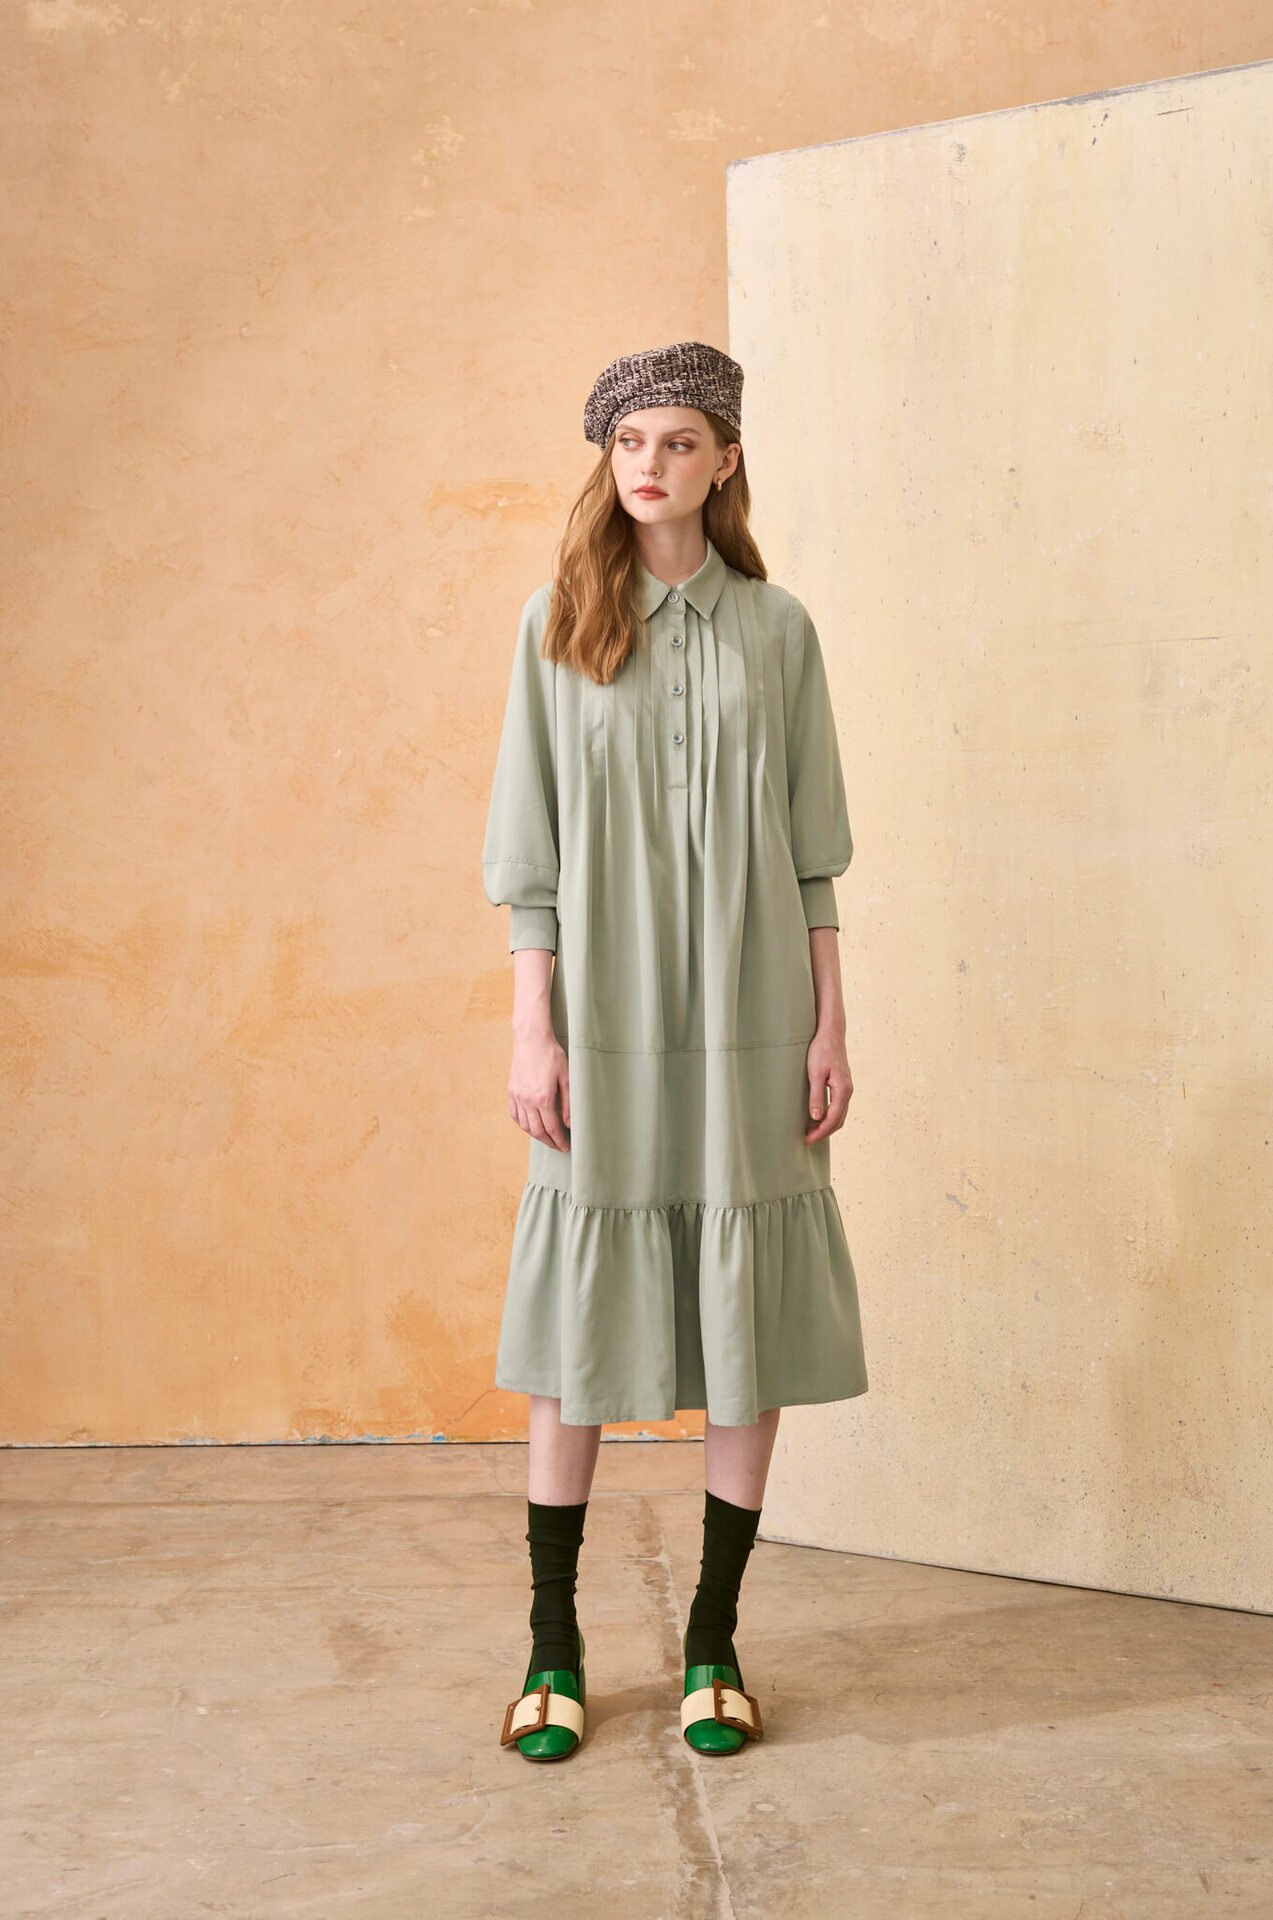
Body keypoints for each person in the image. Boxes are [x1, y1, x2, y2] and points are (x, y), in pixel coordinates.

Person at [484, 340, 868, 1762]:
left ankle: (714, 1638)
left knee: (744, 1322)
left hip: (755, 1015)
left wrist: (830, 1023)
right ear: (608, 457)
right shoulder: (557, 623)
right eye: (629, 441)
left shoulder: (779, 630)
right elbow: (529, 860)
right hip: (605, 1019)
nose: (649, 465)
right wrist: (533, 1029)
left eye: (679, 441)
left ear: (724, 461)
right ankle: (553, 1643)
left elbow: (812, 856)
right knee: (577, 1335)